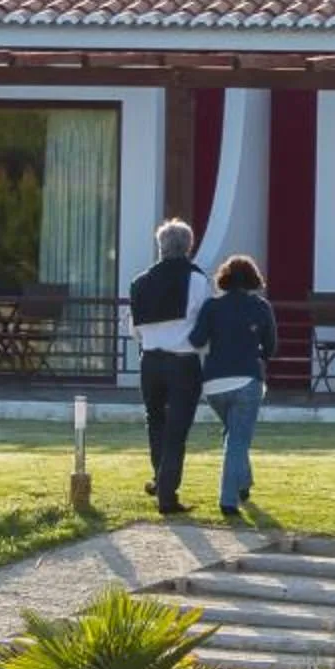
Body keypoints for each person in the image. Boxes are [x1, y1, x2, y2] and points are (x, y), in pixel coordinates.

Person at [125, 219, 211, 516]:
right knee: (177, 429)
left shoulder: (139, 282)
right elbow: (203, 322)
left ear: (160, 246)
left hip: (150, 360)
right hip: (183, 360)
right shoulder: (197, 280)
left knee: (155, 421)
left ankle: (160, 478)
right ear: (189, 246)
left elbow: (133, 329)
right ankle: (166, 493)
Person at [187, 254, 275, 518]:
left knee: (234, 435)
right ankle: (228, 499)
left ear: (224, 278)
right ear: (252, 279)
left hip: (214, 384)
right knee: (238, 439)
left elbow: (196, 339)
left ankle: (244, 483)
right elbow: (270, 348)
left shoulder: (212, 307)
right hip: (247, 379)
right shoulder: (261, 307)